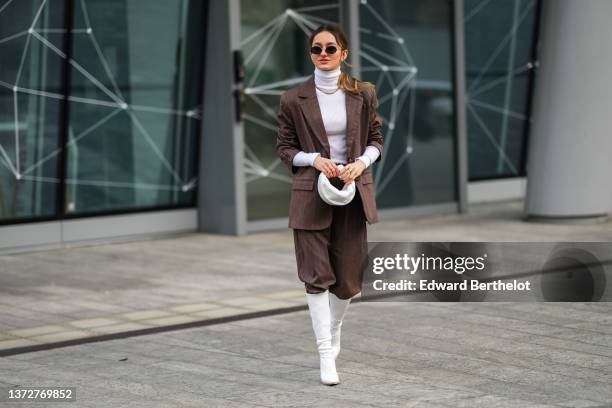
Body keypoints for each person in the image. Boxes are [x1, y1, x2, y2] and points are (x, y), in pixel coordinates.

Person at [275, 23, 384, 385]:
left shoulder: (363, 93)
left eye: (330, 49)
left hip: (352, 193)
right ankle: (325, 353)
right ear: (310, 54)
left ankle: (333, 329)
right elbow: (284, 148)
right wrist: (312, 159)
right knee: (316, 277)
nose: (323, 54)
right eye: (316, 49)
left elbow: (376, 139)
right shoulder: (293, 98)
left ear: (344, 54)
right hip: (310, 193)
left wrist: (361, 163)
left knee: (349, 280)